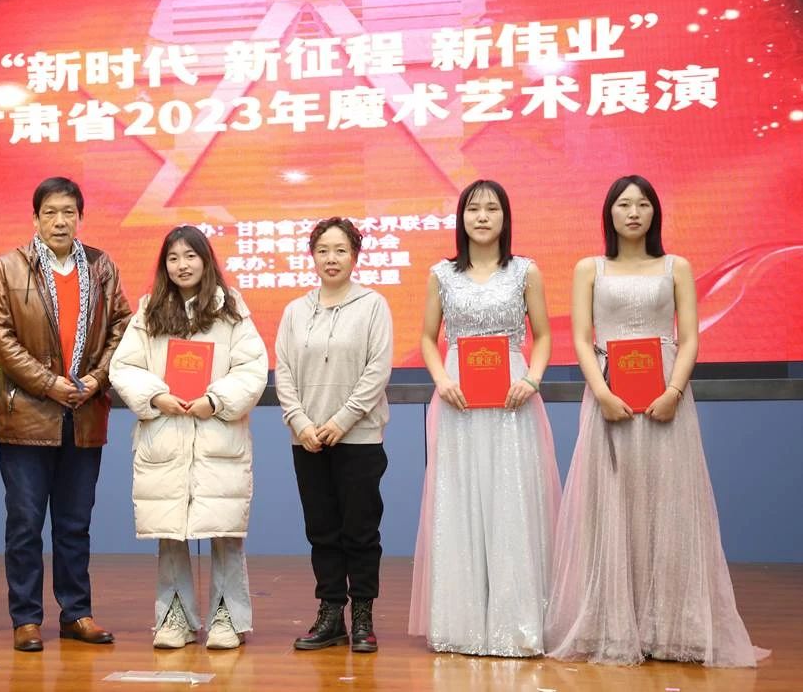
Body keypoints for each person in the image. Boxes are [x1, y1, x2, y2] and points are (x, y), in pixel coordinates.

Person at [544, 175, 764, 666]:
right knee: (612, 503)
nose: (633, 212)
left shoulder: (676, 267)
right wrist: (602, 393)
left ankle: (670, 629)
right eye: (624, 204)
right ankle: (611, 625)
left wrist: (674, 392)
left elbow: (690, 338)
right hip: (608, 397)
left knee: (668, 502)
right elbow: (581, 338)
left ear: (654, 213)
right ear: (609, 212)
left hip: (667, 396)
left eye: (642, 204)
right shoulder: (589, 268)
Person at [408, 179, 561, 657]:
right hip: (458, 400)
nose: (481, 217)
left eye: (492, 209)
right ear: (461, 218)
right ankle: (462, 625)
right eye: (473, 209)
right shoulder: (441, 274)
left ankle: (516, 625)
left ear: (505, 217)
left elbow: (543, 335)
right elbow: (428, 337)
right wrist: (441, 380)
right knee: (461, 504)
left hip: (513, 399)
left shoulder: (525, 271)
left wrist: (532, 379)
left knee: (511, 502)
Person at [0, 177, 132, 652]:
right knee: (24, 525)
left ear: (80, 217)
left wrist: (96, 379)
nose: (60, 221)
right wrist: (49, 384)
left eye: (69, 212)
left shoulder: (102, 266)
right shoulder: (8, 266)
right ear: (35, 219)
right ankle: (26, 619)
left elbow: (123, 328)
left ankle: (77, 613)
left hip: (84, 414)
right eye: (50, 212)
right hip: (27, 417)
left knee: (74, 525)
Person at [110, 225, 268, 650]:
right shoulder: (149, 312)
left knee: (225, 531)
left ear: (206, 260)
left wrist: (215, 400)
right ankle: (174, 616)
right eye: (173, 258)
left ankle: (227, 617)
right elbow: (124, 367)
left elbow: (252, 368)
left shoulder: (231, 309)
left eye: (190, 256)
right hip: (166, 435)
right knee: (171, 533)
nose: (182, 265)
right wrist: (156, 395)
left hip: (218, 436)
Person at [275, 217, 392, 654]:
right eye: (323, 250)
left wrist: (342, 420)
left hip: (359, 437)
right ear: (312, 255)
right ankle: (330, 615)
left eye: (340, 250)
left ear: (355, 255)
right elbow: (283, 371)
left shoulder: (373, 305)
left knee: (360, 531)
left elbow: (377, 369)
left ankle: (362, 615)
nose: (331, 258)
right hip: (307, 439)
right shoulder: (294, 311)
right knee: (321, 530)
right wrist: (300, 423)